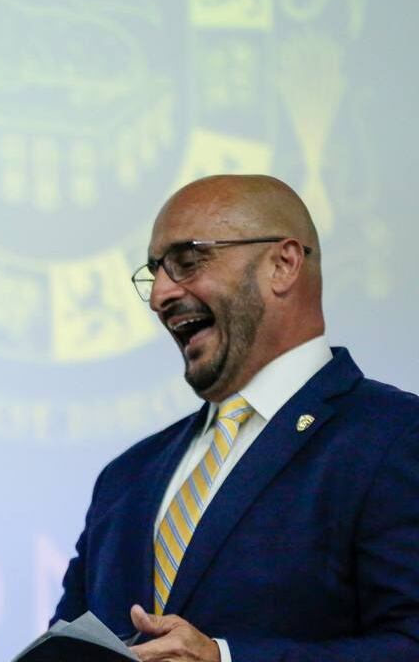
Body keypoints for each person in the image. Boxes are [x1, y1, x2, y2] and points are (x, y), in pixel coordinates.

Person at [53, 174, 419, 661]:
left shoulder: (395, 436)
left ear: (282, 264)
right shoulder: (126, 477)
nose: (160, 295)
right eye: (155, 272)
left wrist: (225, 658)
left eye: (187, 261)